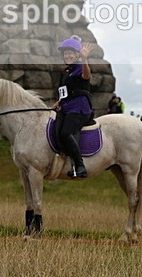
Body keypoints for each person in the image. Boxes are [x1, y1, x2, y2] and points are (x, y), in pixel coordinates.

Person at [54, 35, 94, 179]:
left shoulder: (80, 68)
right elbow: (64, 92)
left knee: (65, 133)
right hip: (65, 108)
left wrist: (84, 59)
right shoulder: (66, 72)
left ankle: (79, 165)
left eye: (70, 53)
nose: (68, 56)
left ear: (77, 54)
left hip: (79, 109)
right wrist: (58, 102)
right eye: (65, 53)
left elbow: (86, 75)